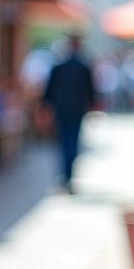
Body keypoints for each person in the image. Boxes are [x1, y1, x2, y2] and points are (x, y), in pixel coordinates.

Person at [42, 35, 96, 192]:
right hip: (77, 109)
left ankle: (65, 176)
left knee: (64, 143)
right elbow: (91, 91)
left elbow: (49, 92)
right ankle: (68, 176)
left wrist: (45, 107)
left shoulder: (59, 67)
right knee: (72, 142)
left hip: (62, 109)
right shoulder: (83, 68)